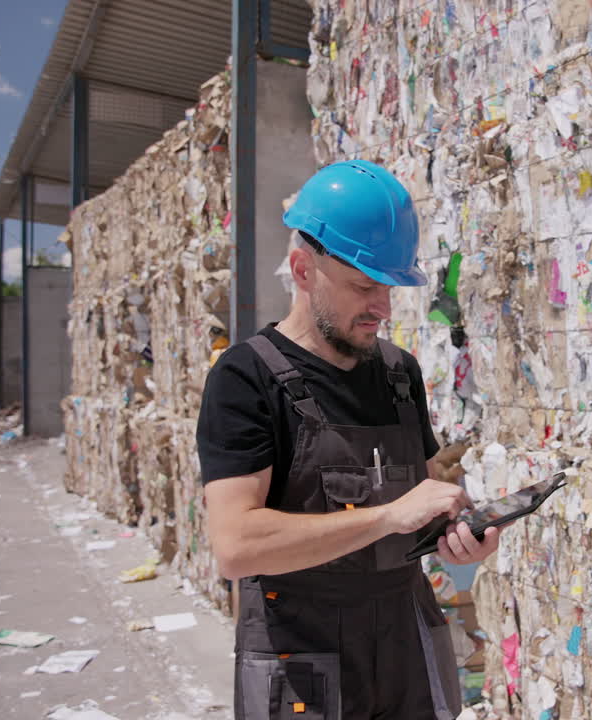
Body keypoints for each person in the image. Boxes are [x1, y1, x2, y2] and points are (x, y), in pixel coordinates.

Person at [197, 160, 503, 720]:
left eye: (388, 287)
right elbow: (236, 544)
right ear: (303, 270)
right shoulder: (245, 379)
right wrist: (387, 517)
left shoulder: (399, 373)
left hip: (405, 647)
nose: (383, 309)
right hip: (304, 665)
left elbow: (421, 505)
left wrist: (461, 540)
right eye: (364, 286)